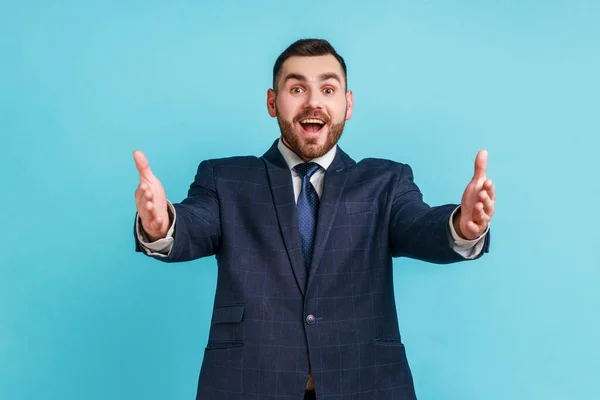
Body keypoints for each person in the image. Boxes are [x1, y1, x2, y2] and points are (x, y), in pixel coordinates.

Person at [133, 38, 495, 400]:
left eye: (327, 88)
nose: (313, 102)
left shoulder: (386, 181)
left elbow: (419, 225)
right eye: (296, 88)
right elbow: (194, 224)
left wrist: (462, 225)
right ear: (273, 102)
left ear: (347, 103)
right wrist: (162, 222)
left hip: (365, 383)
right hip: (248, 384)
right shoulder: (225, 179)